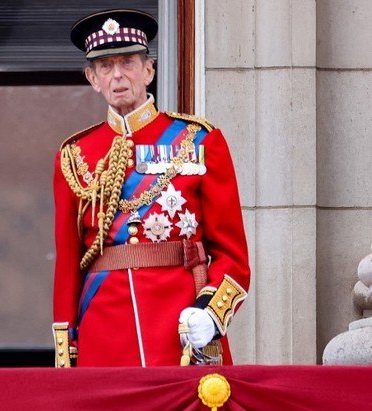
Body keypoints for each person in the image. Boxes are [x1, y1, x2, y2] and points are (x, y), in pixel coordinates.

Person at [52, 9, 250, 367]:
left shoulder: (199, 141)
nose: (118, 76)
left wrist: (211, 312)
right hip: (104, 332)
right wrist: (68, 355)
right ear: (92, 78)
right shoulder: (75, 155)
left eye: (127, 62)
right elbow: (67, 268)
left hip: (181, 324)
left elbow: (233, 255)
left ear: (149, 70)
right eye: (105, 67)